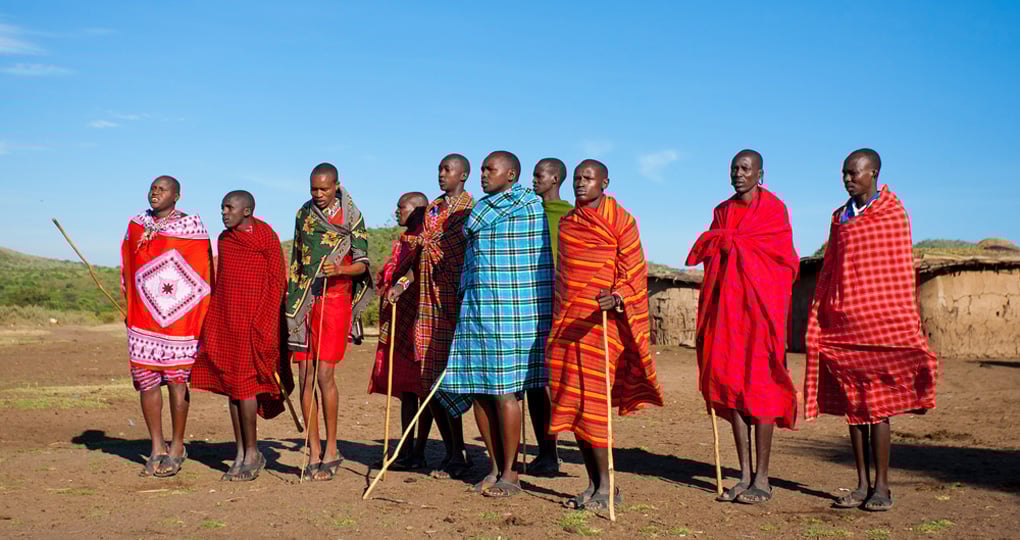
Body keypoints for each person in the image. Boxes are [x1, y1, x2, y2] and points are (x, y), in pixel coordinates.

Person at [804, 148, 937, 512]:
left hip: (879, 325)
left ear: (873, 172)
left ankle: (882, 487)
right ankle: (861, 484)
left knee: (877, 409)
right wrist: (823, 313)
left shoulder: (892, 214)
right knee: (854, 406)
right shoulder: (839, 217)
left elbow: (894, 273)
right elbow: (831, 269)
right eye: (844, 174)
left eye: (853, 173)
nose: (847, 179)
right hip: (845, 325)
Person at [546, 159, 664, 511]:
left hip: (602, 326)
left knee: (594, 405)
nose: (581, 184)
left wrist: (617, 297)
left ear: (605, 182)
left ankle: (608, 488)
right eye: (578, 179)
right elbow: (564, 277)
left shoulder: (621, 220)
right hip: (570, 324)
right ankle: (594, 485)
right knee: (575, 406)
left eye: (588, 179)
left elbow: (634, 271)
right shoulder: (568, 224)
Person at [438, 150, 555, 498]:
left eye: (491, 169)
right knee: (478, 390)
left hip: (513, 311)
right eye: (484, 169)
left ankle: (511, 473)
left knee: (505, 392)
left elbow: (535, 262)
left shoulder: (527, 208)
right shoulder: (480, 212)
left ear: (511, 174)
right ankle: (492, 467)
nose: (484, 175)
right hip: (477, 309)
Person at [686, 150, 799, 504]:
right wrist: (721, 244)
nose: (738, 173)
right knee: (730, 389)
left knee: (761, 391)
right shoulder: (723, 210)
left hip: (760, 315)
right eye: (734, 168)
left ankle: (763, 479)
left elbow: (783, 264)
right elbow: (710, 254)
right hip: (727, 314)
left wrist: (735, 246)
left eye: (745, 168)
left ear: (760, 173)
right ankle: (744, 473)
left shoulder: (774, 210)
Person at [191, 190, 291, 482]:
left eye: (229, 207)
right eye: (222, 207)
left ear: (246, 211)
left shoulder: (264, 236)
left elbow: (277, 281)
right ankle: (240, 452)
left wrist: (266, 320)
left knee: (246, 387)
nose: (224, 212)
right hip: (228, 322)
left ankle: (252, 453)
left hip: (255, 322)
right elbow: (222, 283)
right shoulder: (225, 239)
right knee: (232, 388)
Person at [286, 162, 374, 481]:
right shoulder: (303, 215)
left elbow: (363, 265)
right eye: (314, 188)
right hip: (305, 301)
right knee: (306, 375)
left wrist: (340, 271)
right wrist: (294, 295)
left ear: (336, 185)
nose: (319, 194)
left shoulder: (352, 217)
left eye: (324, 188)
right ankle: (313, 449)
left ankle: (332, 448)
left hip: (335, 301)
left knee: (325, 375)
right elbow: (298, 259)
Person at [120, 175, 212, 478]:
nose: (155, 193)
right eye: (152, 188)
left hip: (180, 319)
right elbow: (128, 267)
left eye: (162, 189)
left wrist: (198, 316)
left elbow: (203, 273)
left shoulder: (191, 229)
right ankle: (157, 446)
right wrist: (129, 305)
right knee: (146, 381)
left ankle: (177, 446)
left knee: (176, 382)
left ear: (177, 196)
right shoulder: (136, 225)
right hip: (143, 317)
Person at [393, 154, 475, 480]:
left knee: (453, 382)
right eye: (440, 169)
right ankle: (454, 452)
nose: (441, 175)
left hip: (456, 304)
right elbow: (419, 259)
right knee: (431, 383)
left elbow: (466, 256)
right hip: (428, 307)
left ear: (463, 175)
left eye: (448, 170)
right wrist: (401, 284)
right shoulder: (432, 212)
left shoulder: (470, 213)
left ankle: (462, 452)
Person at [368, 191, 432, 470]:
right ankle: (407, 447)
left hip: (420, 320)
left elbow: (412, 276)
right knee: (407, 390)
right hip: (399, 323)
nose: (396, 211)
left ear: (417, 210)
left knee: (422, 390)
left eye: (401, 207)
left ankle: (419, 448)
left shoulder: (425, 242)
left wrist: (399, 287)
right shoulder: (401, 243)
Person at [526, 157, 573, 475]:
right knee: (533, 381)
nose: (534, 180)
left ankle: (553, 450)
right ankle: (545, 452)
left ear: (555, 178)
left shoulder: (570, 216)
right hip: (528, 304)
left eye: (539, 175)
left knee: (554, 382)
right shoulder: (526, 214)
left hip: (560, 305)